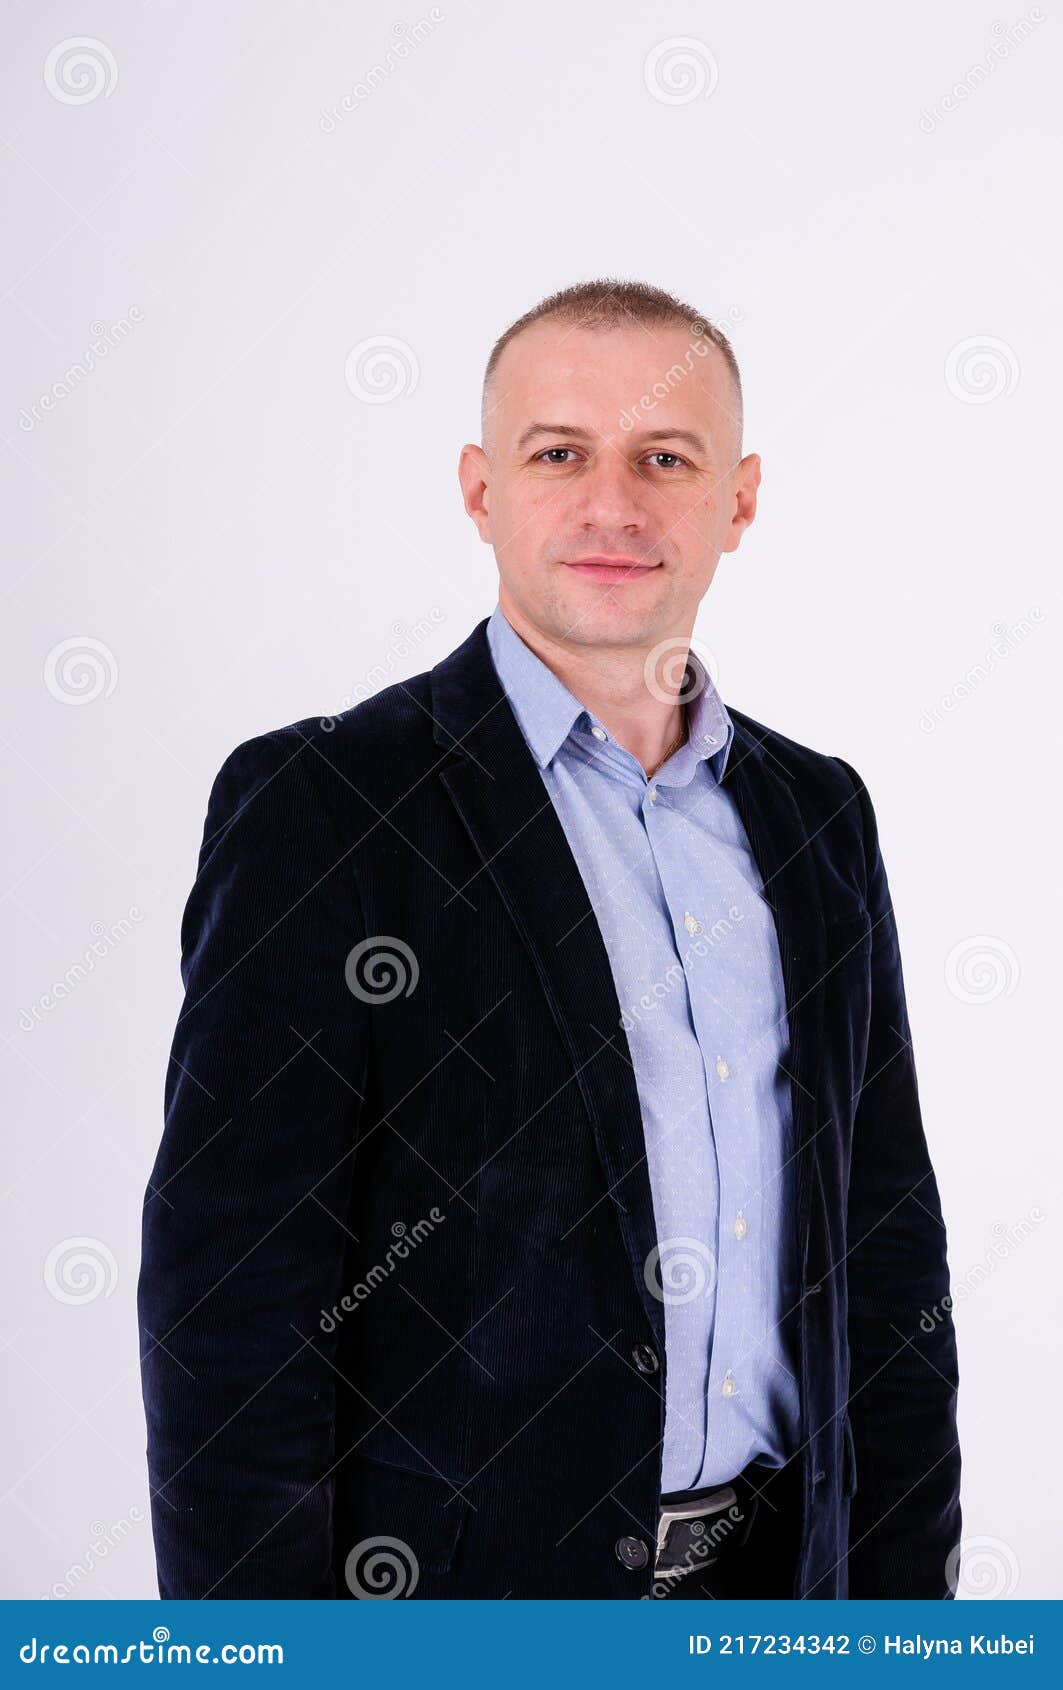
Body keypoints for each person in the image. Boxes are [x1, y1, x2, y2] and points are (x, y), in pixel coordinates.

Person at [137, 278, 961, 1600]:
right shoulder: (330, 808)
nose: (613, 504)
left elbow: (885, 1239)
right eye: (559, 452)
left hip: (774, 1599)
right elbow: (228, 1308)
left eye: (666, 459)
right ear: (480, 489)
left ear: (738, 499)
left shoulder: (817, 817)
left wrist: (901, 1628)